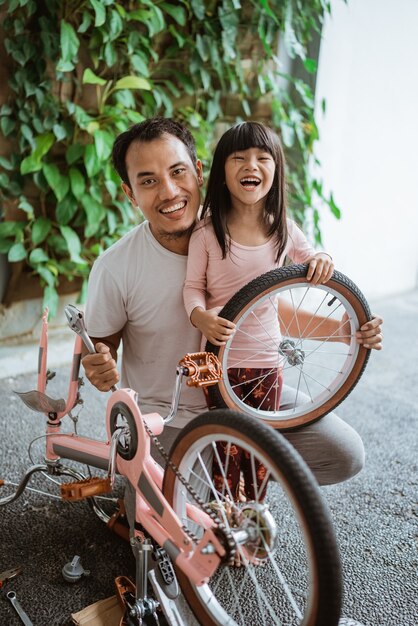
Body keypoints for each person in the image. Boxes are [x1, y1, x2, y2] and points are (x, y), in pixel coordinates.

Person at [82, 116, 384, 485]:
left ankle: (237, 472)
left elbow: (262, 313)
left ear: (198, 171)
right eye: (148, 181)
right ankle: (199, 481)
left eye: (178, 172)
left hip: (244, 390)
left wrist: (346, 332)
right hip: (170, 418)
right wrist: (97, 363)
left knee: (343, 453)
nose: (169, 191)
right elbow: (99, 345)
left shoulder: (238, 232)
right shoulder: (116, 266)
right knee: (172, 536)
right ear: (130, 193)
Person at [183, 121, 336, 500]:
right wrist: (200, 317)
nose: (251, 165)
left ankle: (253, 518)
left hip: (267, 362)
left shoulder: (283, 228)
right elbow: (192, 290)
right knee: (227, 446)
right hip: (218, 362)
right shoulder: (205, 233)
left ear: (276, 170)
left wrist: (322, 258)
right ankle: (223, 519)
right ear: (222, 172)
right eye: (239, 158)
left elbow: (313, 255)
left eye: (262, 158)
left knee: (261, 447)